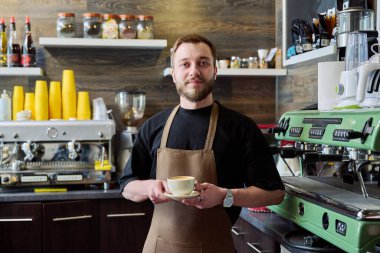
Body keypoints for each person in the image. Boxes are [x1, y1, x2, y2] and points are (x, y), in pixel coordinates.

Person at [120, 34, 285, 253]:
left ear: (215, 70)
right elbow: (127, 187)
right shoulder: (153, 127)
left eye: (203, 63)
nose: (194, 71)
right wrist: (150, 187)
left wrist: (225, 196)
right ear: (173, 74)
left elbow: (274, 193)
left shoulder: (240, 127)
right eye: (185, 64)